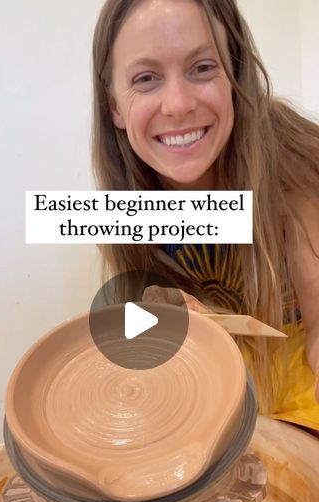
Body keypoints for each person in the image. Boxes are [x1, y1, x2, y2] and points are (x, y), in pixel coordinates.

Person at [91, 0, 319, 430]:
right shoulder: (124, 209)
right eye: (146, 78)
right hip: (224, 408)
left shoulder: (297, 163)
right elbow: (145, 350)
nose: (177, 104)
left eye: (202, 68)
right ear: (115, 107)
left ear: (236, 78)